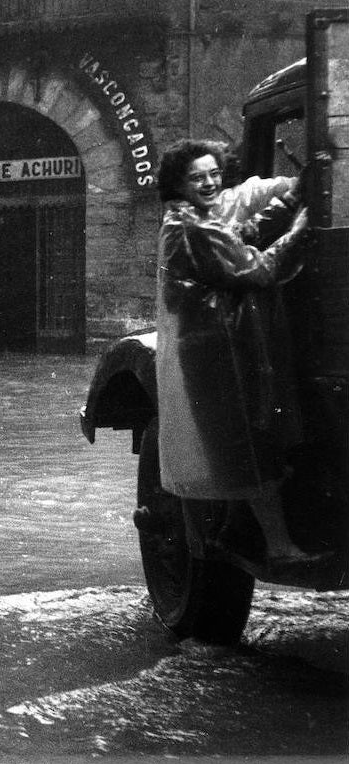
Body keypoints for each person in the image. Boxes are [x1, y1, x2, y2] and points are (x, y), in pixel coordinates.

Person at [154, 139, 315, 564]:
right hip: (219, 354)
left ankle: (223, 537)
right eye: (196, 177)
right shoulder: (195, 227)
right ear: (178, 184)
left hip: (211, 349)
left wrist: (290, 200)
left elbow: (237, 237)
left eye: (212, 174)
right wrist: (301, 226)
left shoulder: (189, 219)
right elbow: (258, 268)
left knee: (231, 447)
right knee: (248, 446)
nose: (208, 183)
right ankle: (279, 548)